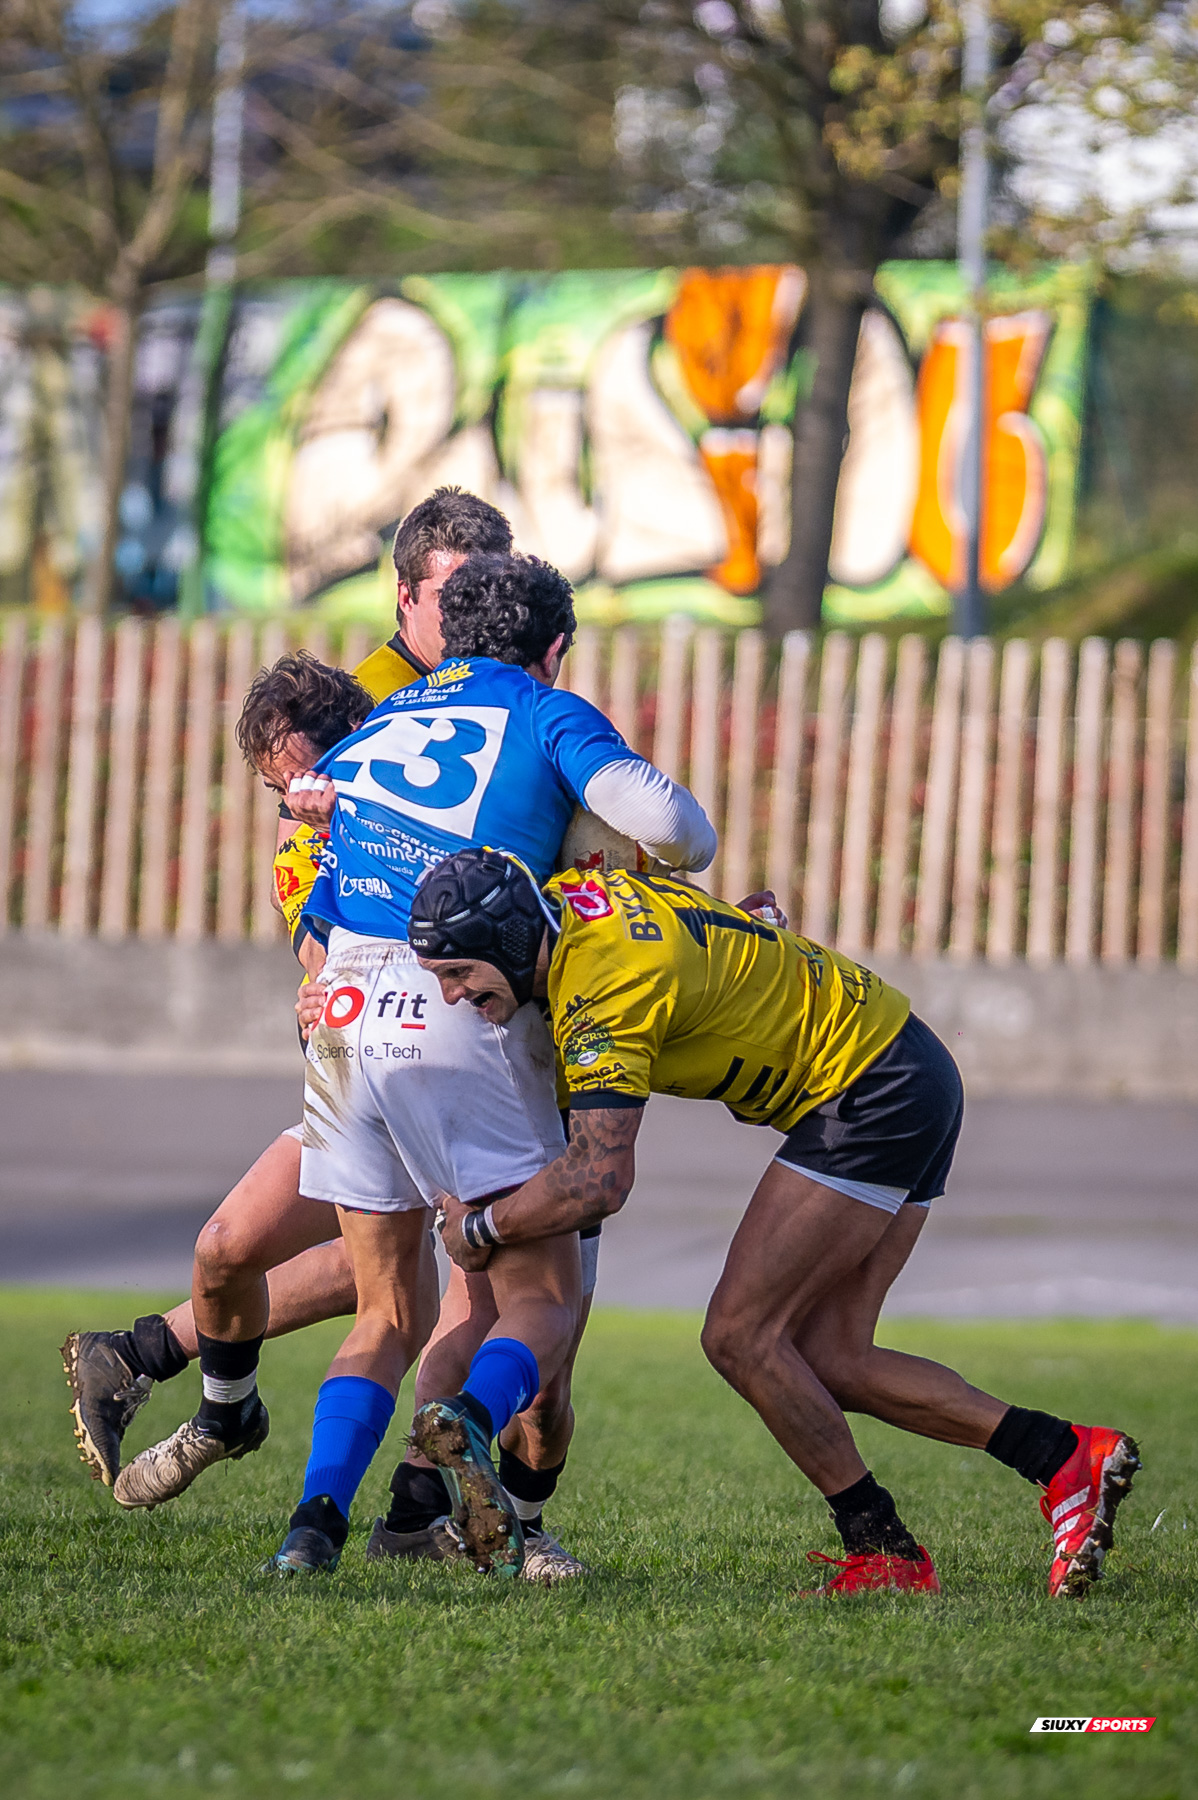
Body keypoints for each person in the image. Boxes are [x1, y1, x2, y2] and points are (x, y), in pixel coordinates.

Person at [129, 551, 716, 1580]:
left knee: (389, 1307)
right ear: (553, 646)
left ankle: (312, 1530)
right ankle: (473, 1436)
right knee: (539, 1300)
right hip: (457, 999)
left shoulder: (373, 729)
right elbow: (675, 828)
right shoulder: (543, 710)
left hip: (345, 1013)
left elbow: (322, 911)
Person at [61, 489, 596, 1579]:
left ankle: (365, 1497)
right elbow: (317, 873)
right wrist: (320, 962)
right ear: (406, 598)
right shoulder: (383, 713)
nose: (482, 605)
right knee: (453, 1288)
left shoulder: (501, 698)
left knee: (469, 1308)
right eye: (458, 589)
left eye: (495, 583)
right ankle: (266, 1428)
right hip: (416, 1033)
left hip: (449, 1038)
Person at [409, 851, 1141, 1601]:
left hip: (868, 1091)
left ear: (509, 940)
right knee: (833, 1358)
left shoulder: (601, 988)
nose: (453, 994)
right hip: (906, 1064)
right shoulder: (577, 895)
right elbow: (671, 895)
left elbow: (599, 1178)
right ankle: (1062, 1458)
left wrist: (482, 1229)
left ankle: (881, 1548)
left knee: (741, 1335)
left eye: (459, 973)